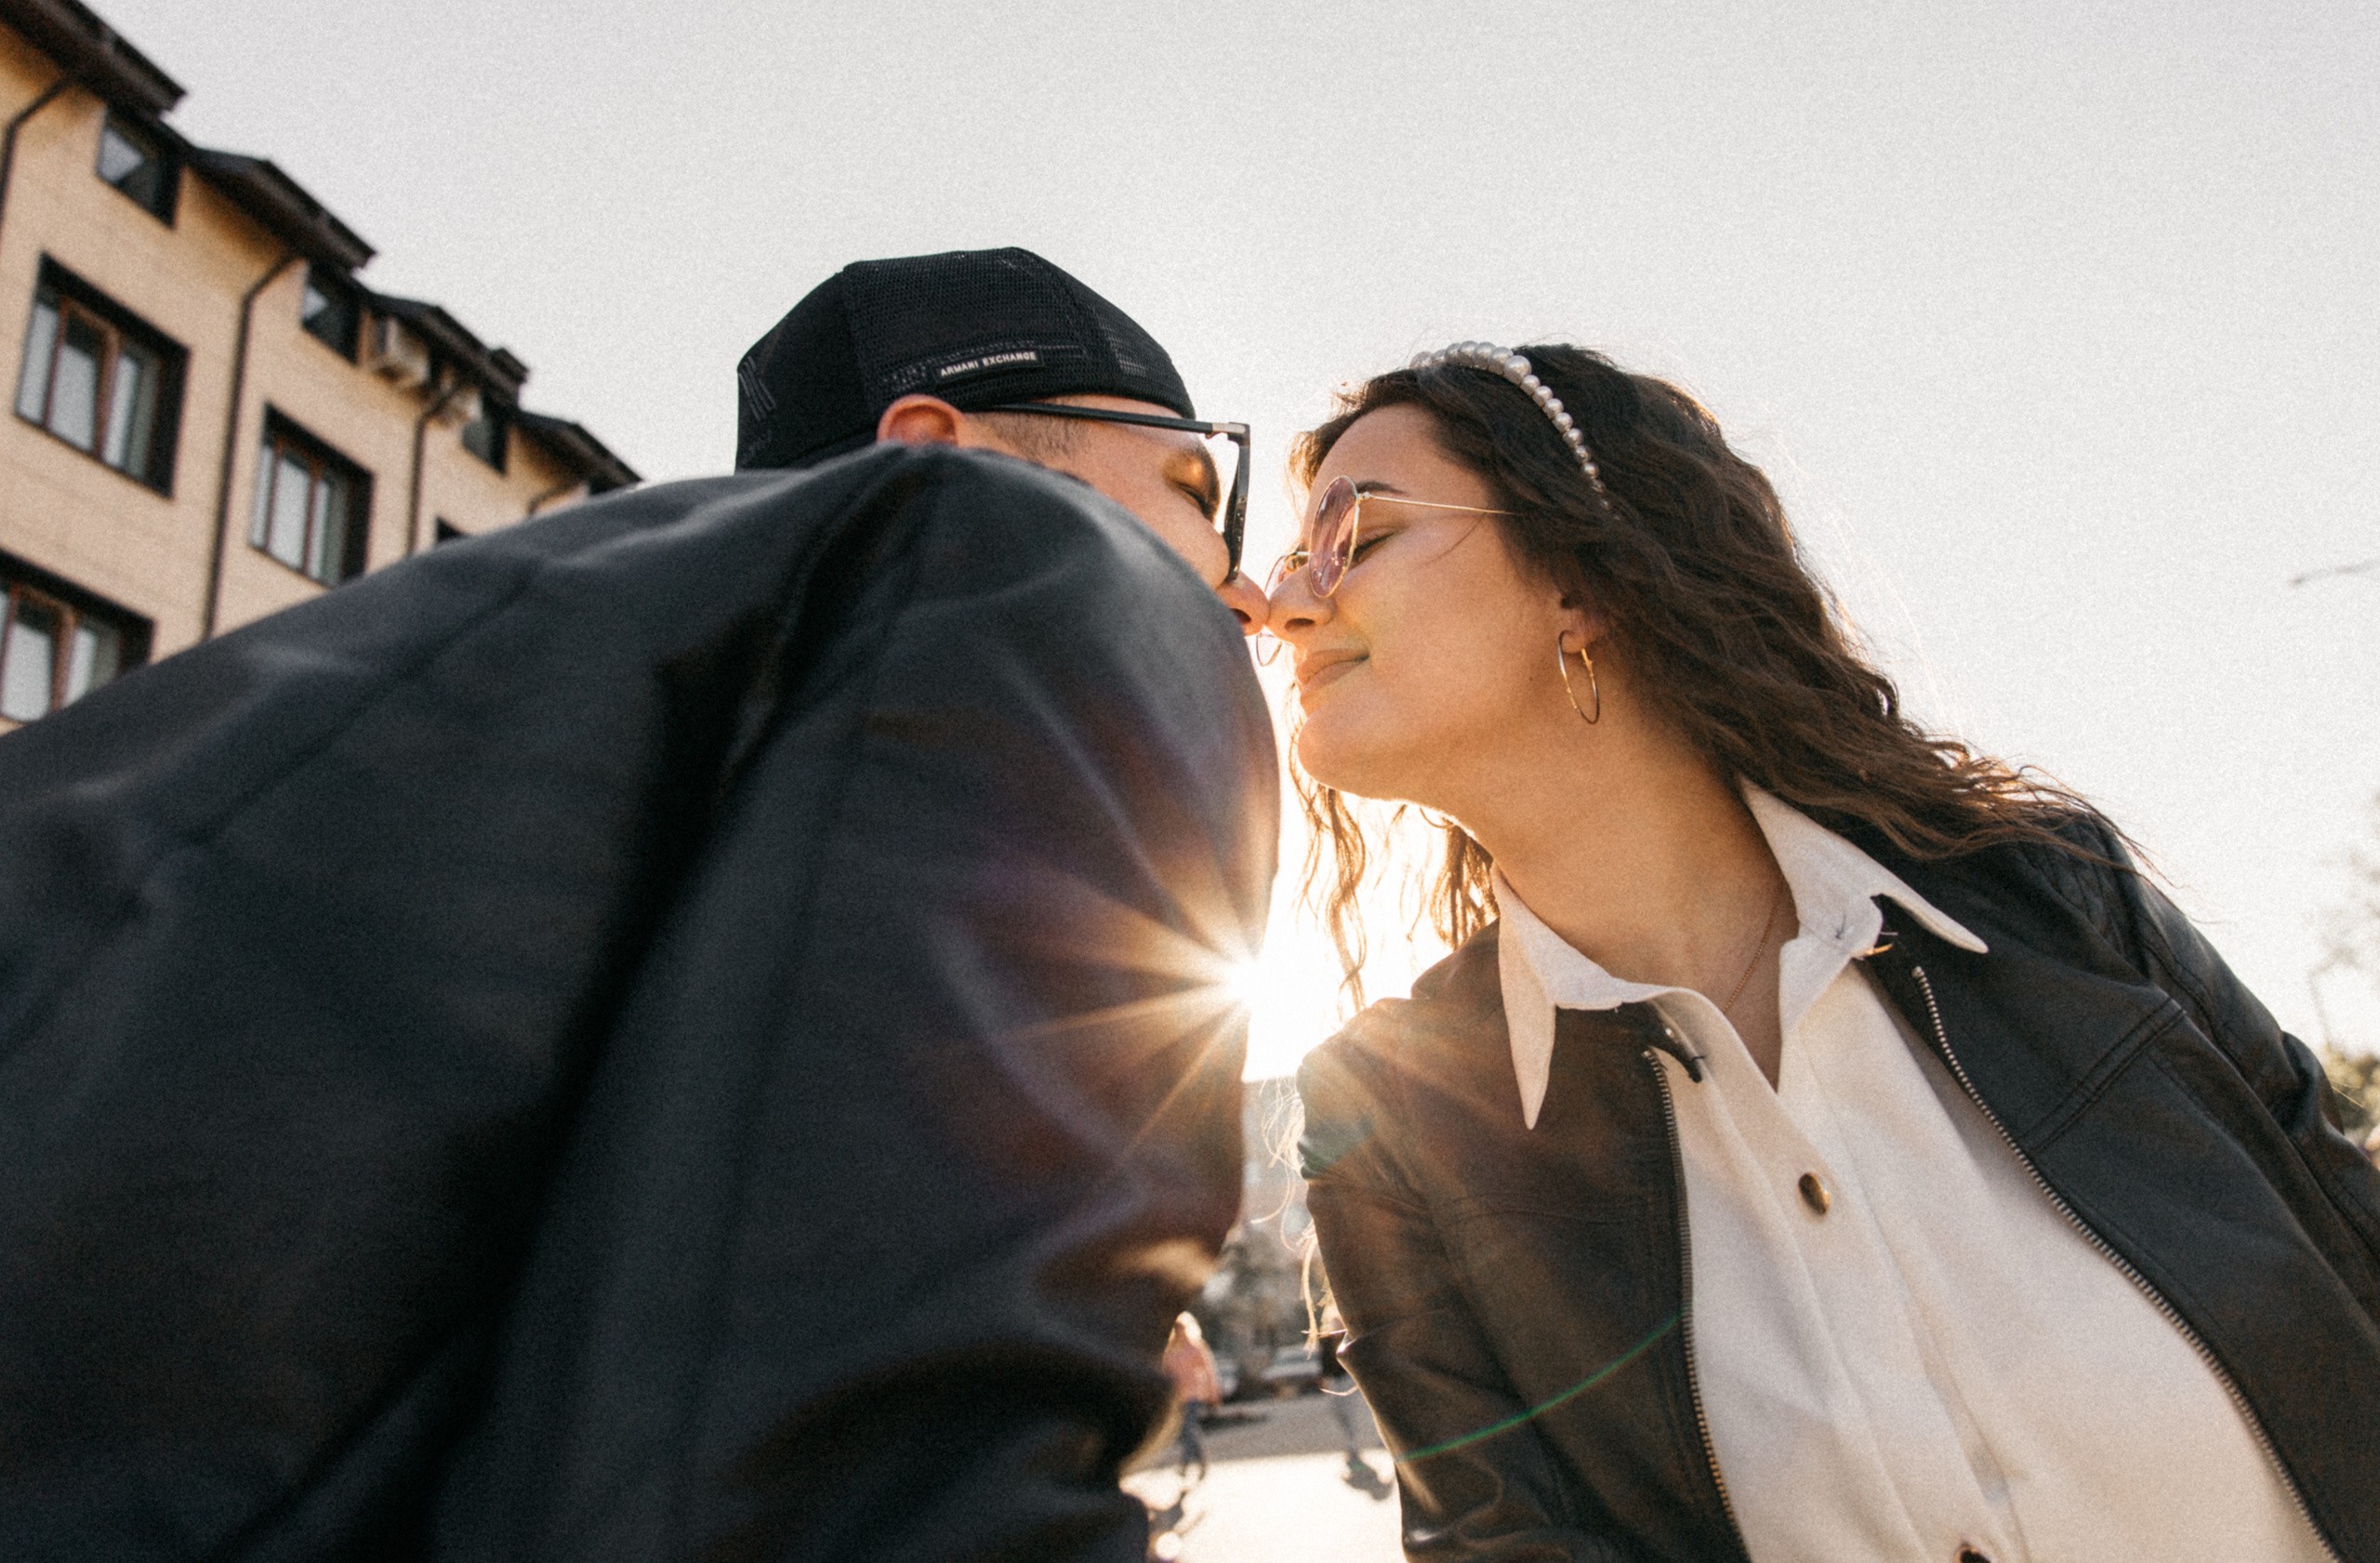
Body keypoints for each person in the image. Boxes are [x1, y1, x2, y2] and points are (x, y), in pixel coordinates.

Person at [0, 249, 1276, 1561]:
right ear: (947, 451)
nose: (1244, 582)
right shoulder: (1015, 552)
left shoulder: (497, 755)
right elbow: (832, 1502)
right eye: (1196, 488)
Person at [1276, 342, 2380, 1562]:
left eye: (1359, 538)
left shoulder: (2054, 895)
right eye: (1288, 556)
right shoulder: (1391, 1135)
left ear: (1579, 585)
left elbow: (2355, 1254)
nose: (1287, 600)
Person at [1160, 1311, 1223, 1483]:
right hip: (1178, 1397)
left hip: (1195, 1393)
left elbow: (1209, 1371)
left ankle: (1185, 1464)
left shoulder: (1195, 1347)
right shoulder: (1170, 1351)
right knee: (1188, 1430)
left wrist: (1214, 1393)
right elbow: (1165, 1373)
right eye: (1176, 1328)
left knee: (1189, 1428)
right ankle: (1201, 1461)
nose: (1179, 1331)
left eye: (1181, 1328)